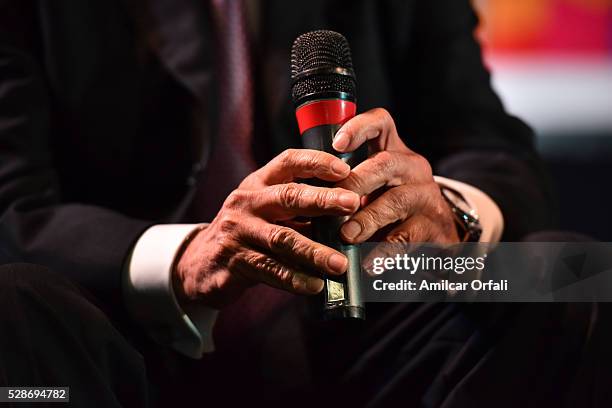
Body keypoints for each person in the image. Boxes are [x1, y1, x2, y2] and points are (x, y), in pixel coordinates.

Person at [1, 0, 592, 407]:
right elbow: (13, 209)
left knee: (577, 279)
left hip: (369, 317)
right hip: (124, 341)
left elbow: (488, 143)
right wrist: (185, 259)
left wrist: (447, 211)